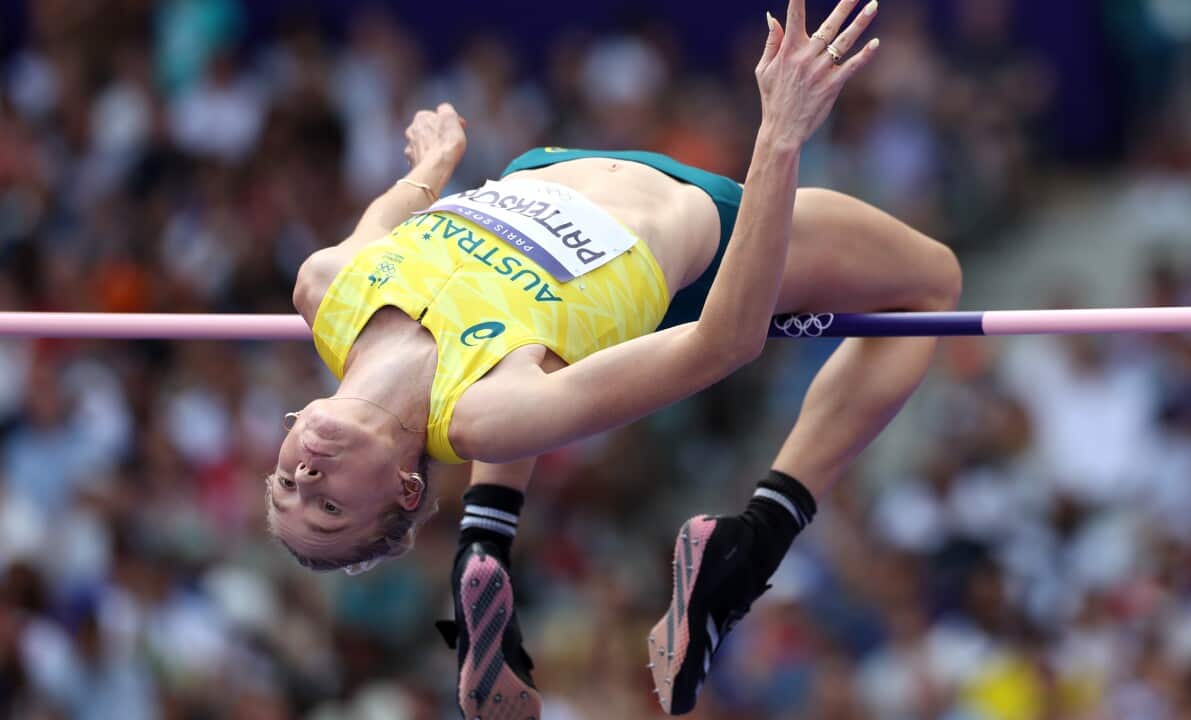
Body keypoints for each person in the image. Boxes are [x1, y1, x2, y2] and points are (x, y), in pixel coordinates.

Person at [268, 0, 961, 716]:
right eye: (326, 504)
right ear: (407, 490)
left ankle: (487, 536)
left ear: (290, 429)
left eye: (285, 482)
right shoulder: (486, 413)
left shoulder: (325, 291)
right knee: (931, 285)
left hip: (540, 170)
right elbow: (726, 341)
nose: (306, 473)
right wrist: (779, 140)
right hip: (698, 234)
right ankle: (753, 541)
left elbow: (384, 224)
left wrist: (431, 169)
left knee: (515, 356)